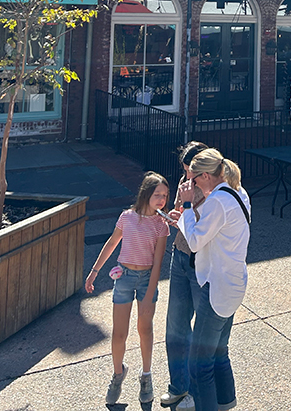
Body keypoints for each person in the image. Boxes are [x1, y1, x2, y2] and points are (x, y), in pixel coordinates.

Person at [170, 149, 251, 411]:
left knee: (199, 364)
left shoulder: (217, 201)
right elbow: (213, 231)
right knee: (219, 351)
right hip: (235, 282)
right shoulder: (237, 192)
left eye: (194, 179)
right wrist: (186, 218)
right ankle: (227, 401)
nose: (191, 184)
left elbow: (194, 242)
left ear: (205, 176)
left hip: (216, 287)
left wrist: (184, 206)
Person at [85, 171, 169, 405]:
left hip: (146, 280)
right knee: (119, 332)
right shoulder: (127, 217)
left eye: (165, 195)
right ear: (145, 194)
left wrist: (151, 291)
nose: (162, 199)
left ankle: (146, 375)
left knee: (145, 329)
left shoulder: (162, 225)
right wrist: (94, 271)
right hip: (124, 277)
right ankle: (118, 374)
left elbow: (158, 262)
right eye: (157, 194)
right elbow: (112, 243)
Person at [160, 141, 209, 411]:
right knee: (176, 327)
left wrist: (188, 208)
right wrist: (174, 216)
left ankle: (197, 393)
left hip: (200, 262)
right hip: (179, 255)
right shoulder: (185, 182)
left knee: (202, 333)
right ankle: (178, 387)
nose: (187, 177)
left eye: (192, 171)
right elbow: (183, 217)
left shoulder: (214, 189)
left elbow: (205, 230)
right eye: (185, 171)